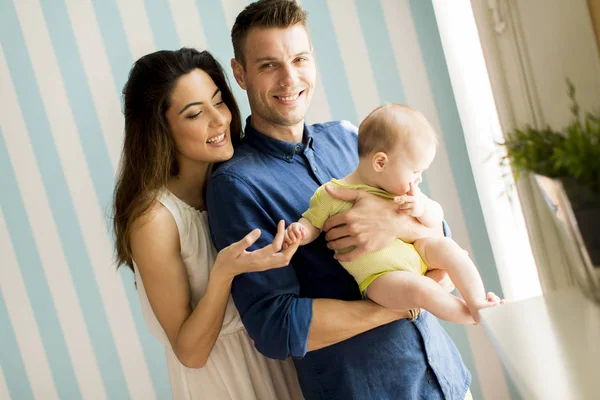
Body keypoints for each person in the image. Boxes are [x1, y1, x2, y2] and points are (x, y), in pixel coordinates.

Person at [207, 1, 478, 399]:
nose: (289, 78)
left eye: (299, 59)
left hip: (448, 380)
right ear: (240, 74)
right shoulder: (236, 185)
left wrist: (396, 225)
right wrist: (407, 302)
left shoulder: (351, 138)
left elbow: (437, 234)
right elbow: (277, 326)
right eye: (269, 65)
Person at [112, 47, 303, 400]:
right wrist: (223, 273)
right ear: (161, 129)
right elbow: (191, 353)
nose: (220, 120)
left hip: (285, 366)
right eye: (195, 114)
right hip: (224, 383)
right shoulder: (154, 219)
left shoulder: (237, 186)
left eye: (219, 102)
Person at [285, 104, 502, 325]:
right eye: (415, 171)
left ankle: (478, 303)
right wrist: (300, 232)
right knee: (422, 289)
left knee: (451, 250)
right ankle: (474, 318)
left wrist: (421, 208)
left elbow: (436, 219)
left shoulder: (400, 190)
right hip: (382, 278)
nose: (418, 179)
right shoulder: (332, 195)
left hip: (419, 254)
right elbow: (312, 223)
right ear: (380, 162)